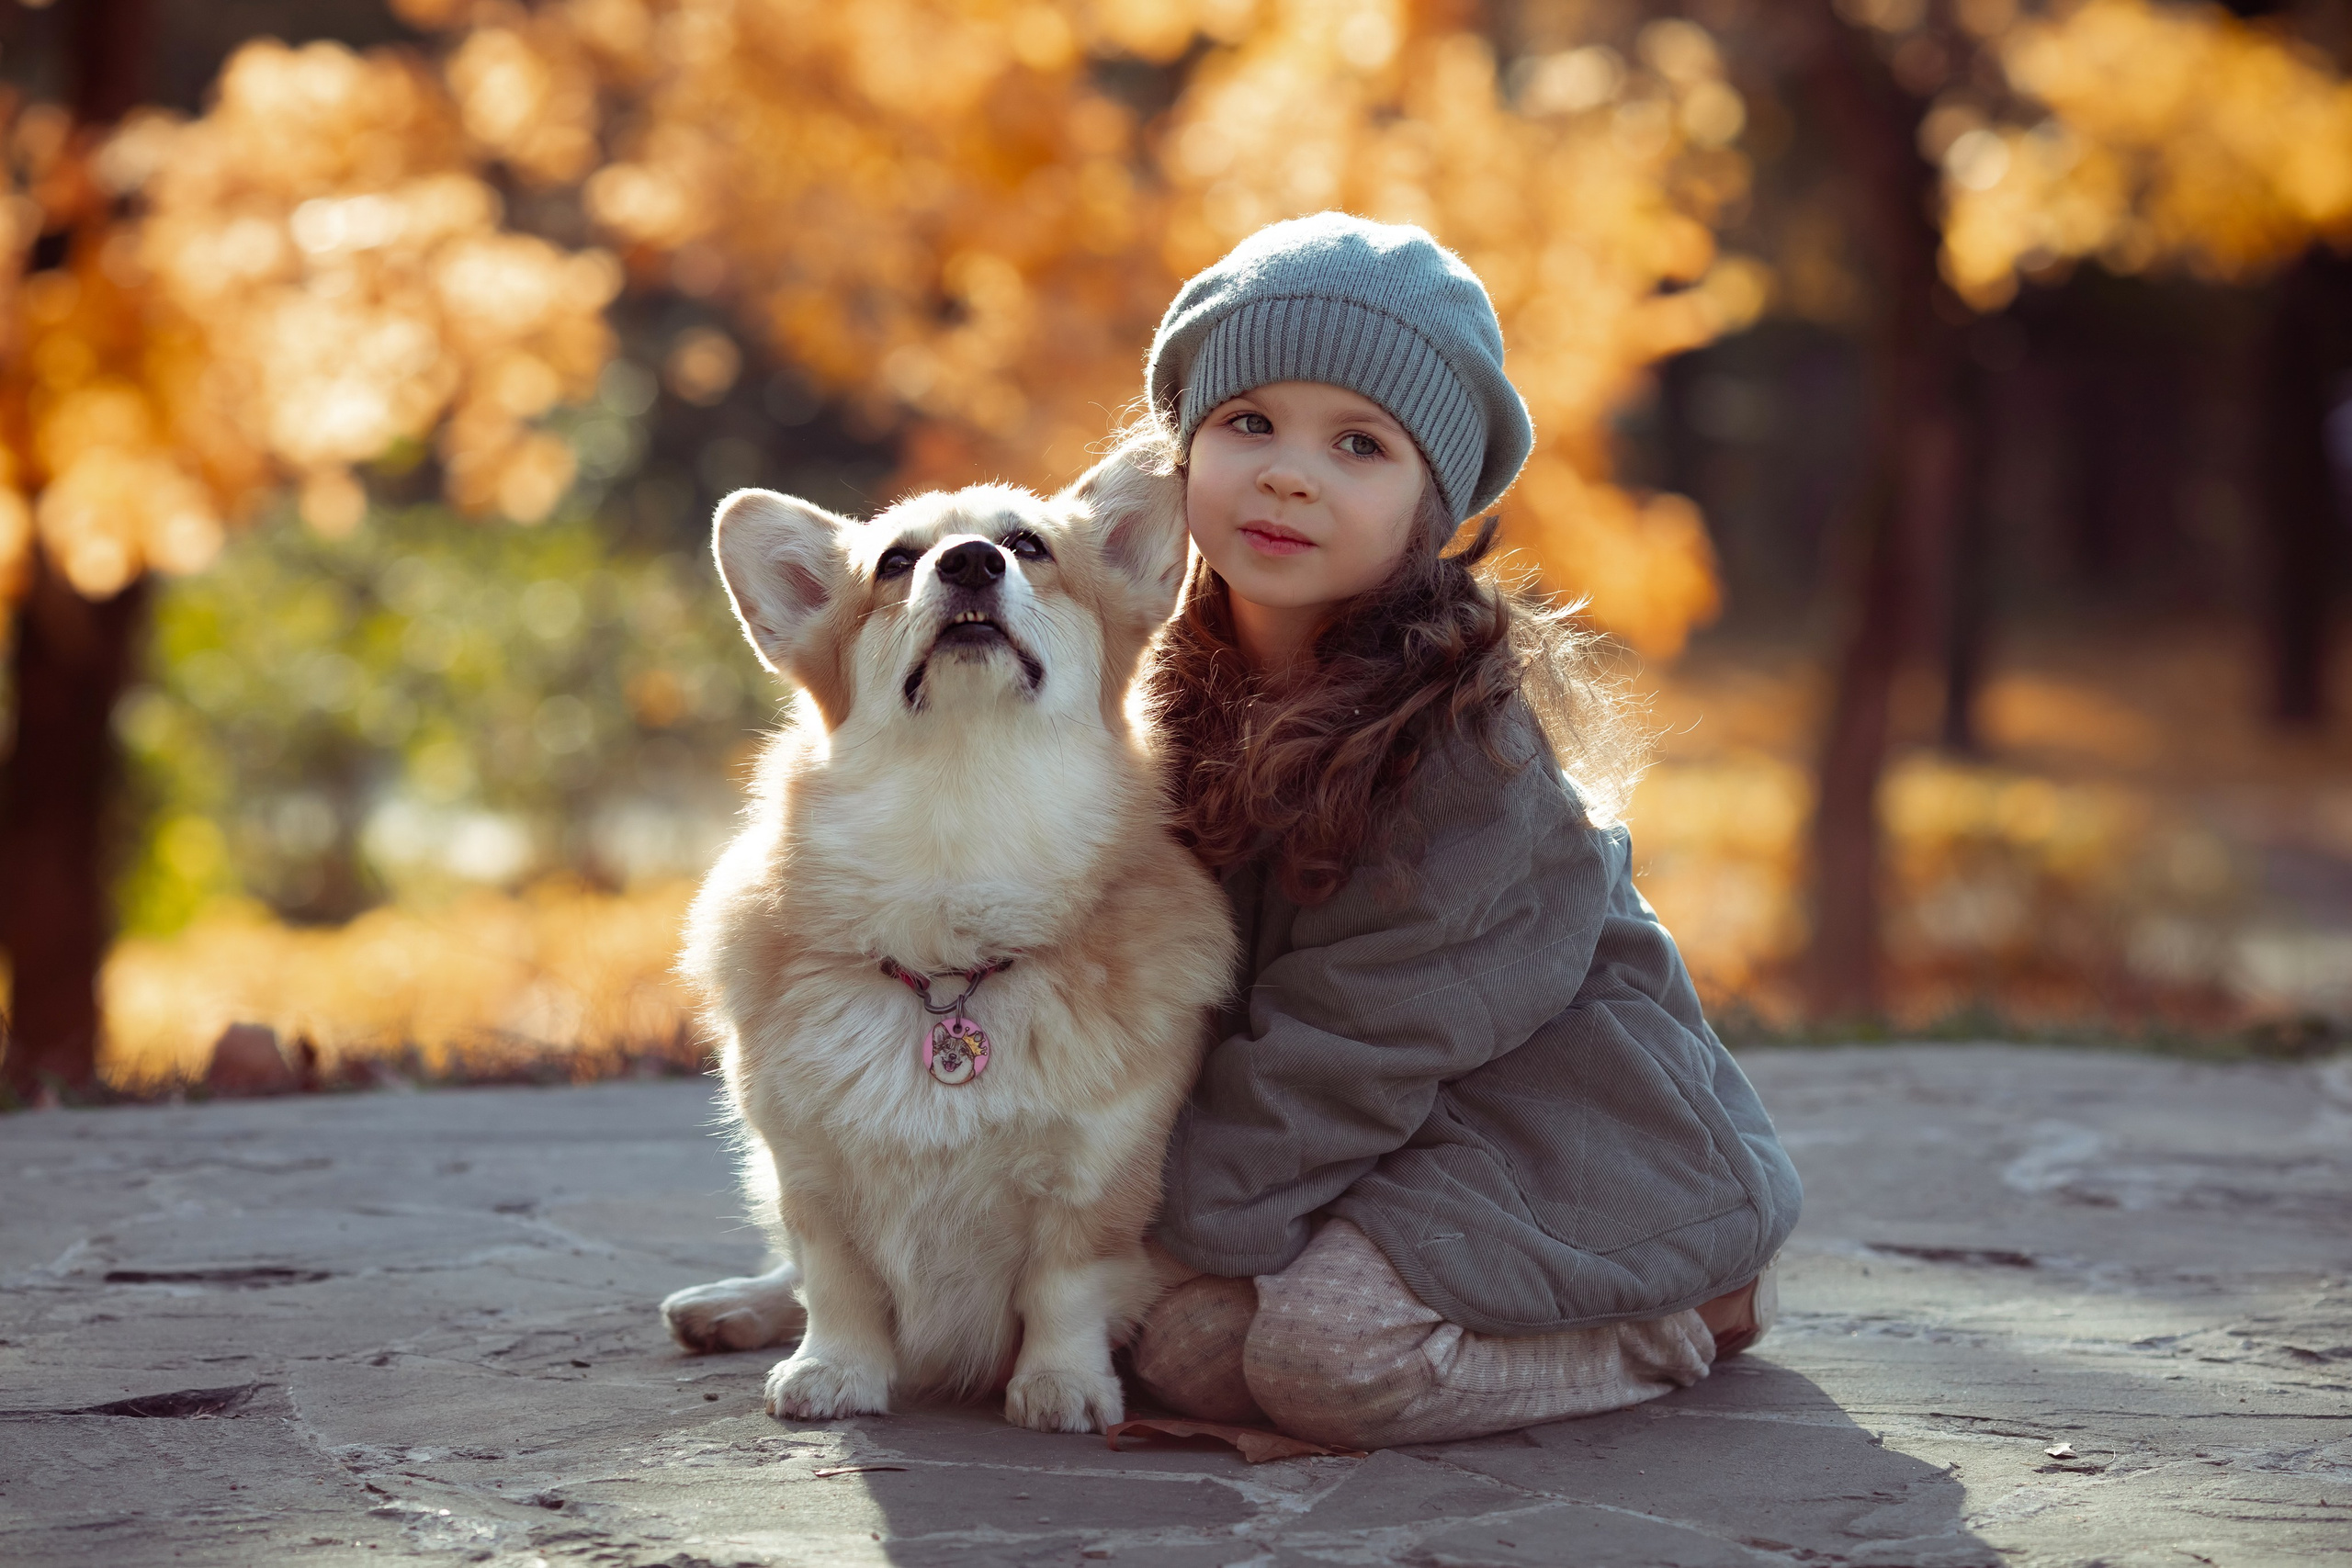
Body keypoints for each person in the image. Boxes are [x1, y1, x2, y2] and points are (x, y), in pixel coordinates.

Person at [1127, 211, 1802, 1450]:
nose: (1287, 474)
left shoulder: (1464, 748)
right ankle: (1324, 1295)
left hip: (1566, 1131)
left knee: (1323, 1363)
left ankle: (1688, 1312)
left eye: (1358, 445)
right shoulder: (1149, 684)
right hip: (1368, 1131)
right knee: (1182, 1351)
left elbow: (1361, 1033)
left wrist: (1156, 1228)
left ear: (1427, 508)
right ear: (1181, 447)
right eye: (1248, 423)